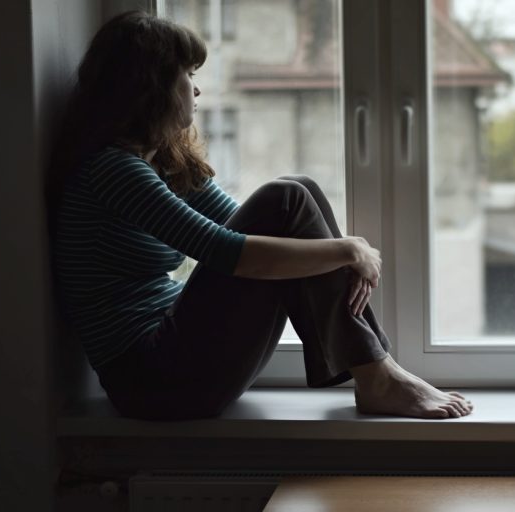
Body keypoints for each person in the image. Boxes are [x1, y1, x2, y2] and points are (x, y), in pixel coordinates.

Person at [48, 10, 473, 421]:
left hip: (176, 364)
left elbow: (246, 225)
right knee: (287, 197)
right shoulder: (112, 170)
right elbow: (228, 251)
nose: (196, 91)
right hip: (153, 381)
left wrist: (338, 253)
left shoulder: (161, 163)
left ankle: (377, 372)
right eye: (188, 75)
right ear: (153, 86)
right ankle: (377, 375)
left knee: (298, 191)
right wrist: (347, 249)